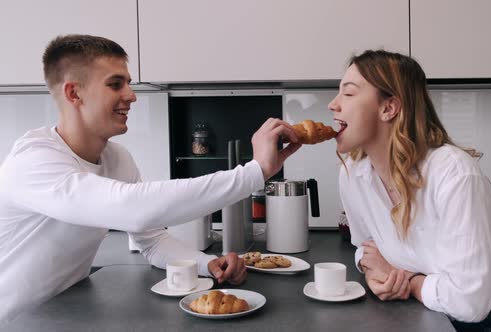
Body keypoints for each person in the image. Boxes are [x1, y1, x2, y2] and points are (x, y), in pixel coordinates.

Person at [0, 34, 301, 324]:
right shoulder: (32, 161)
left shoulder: (117, 158)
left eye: (128, 84)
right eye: (115, 84)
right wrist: (254, 172)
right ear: (73, 93)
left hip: (66, 313)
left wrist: (205, 264)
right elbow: (133, 208)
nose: (131, 96)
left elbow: (151, 239)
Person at [330, 50, 491, 331]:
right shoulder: (353, 174)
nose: (333, 104)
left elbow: (471, 301)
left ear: (389, 108)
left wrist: (409, 283)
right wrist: (374, 274)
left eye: (348, 94)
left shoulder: (454, 172)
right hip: (438, 314)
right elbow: (367, 247)